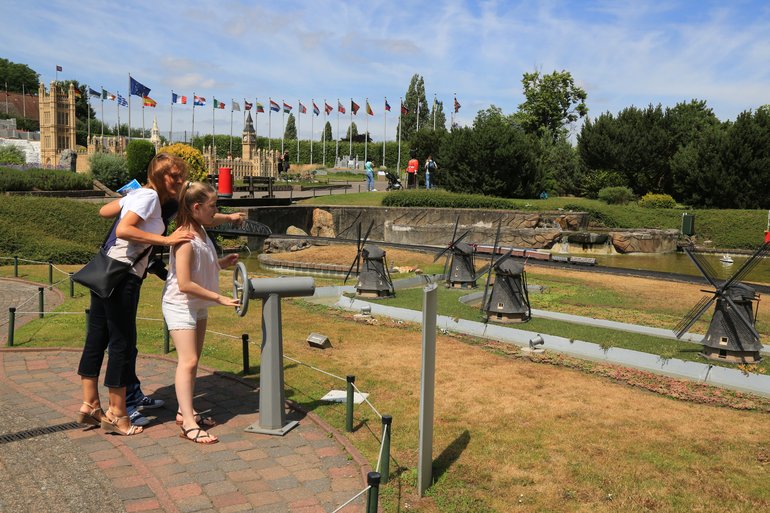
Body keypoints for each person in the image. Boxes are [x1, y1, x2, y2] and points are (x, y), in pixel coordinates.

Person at [77, 154, 195, 436]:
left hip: (106, 272)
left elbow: (105, 211)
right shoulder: (150, 197)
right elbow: (123, 229)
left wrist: (128, 200)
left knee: (97, 338)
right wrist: (166, 239)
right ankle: (117, 414)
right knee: (122, 343)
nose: (179, 181)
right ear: (158, 175)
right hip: (122, 276)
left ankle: (90, 404)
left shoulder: (139, 194)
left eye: (181, 176)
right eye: (173, 176)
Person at [162, 181, 240, 444]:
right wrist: (220, 298)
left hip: (197, 304)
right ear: (196, 208)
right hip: (180, 304)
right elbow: (184, 284)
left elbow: (201, 269)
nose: (216, 211)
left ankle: (185, 411)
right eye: (212, 206)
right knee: (189, 361)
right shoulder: (185, 238)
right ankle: (189, 424)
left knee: (193, 361)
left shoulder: (202, 231)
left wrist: (221, 263)